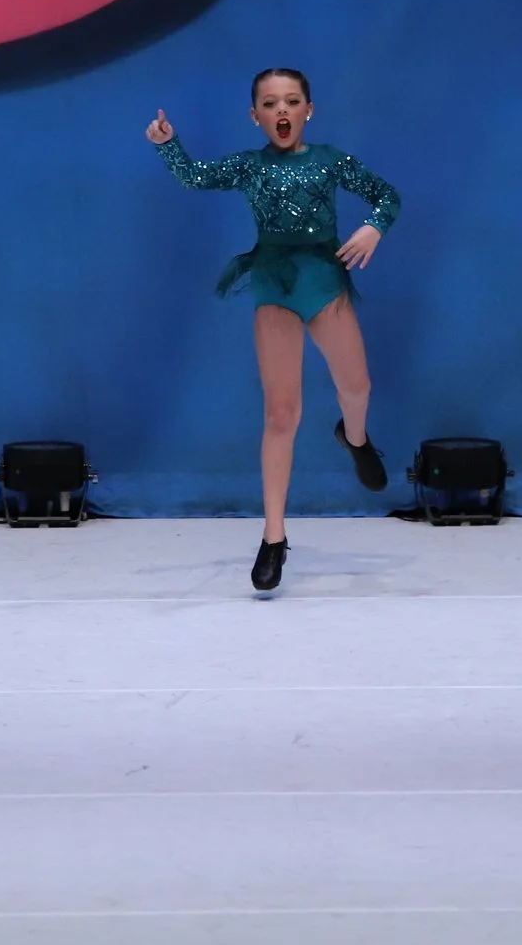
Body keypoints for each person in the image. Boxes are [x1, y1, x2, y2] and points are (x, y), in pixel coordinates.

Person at [147, 68, 399, 591]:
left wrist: (373, 226)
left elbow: (385, 196)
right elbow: (194, 176)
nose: (281, 111)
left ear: (308, 109)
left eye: (291, 101)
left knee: (357, 387)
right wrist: (170, 145)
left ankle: (354, 438)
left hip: (323, 281)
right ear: (255, 116)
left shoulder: (330, 161)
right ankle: (274, 537)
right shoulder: (249, 165)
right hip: (274, 285)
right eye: (269, 103)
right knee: (281, 414)